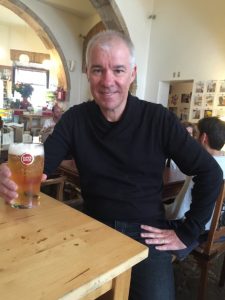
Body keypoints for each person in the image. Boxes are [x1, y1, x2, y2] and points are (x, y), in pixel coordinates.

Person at [0, 31, 223, 300]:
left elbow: (210, 172)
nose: (108, 81)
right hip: (92, 225)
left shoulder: (158, 119)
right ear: (87, 73)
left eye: (118, 70)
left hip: (146, 233)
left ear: (132, 74)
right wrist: (8, 175)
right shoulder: (76, 119)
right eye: (98, 70)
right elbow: (42, 161)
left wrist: (188, 232)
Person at [165, 116, 225, 259]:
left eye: (196, 135)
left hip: (201, 233)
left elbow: (179, 212)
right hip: (220, 230)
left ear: (203, 138)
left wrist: (162, 208)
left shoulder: (202, 168)